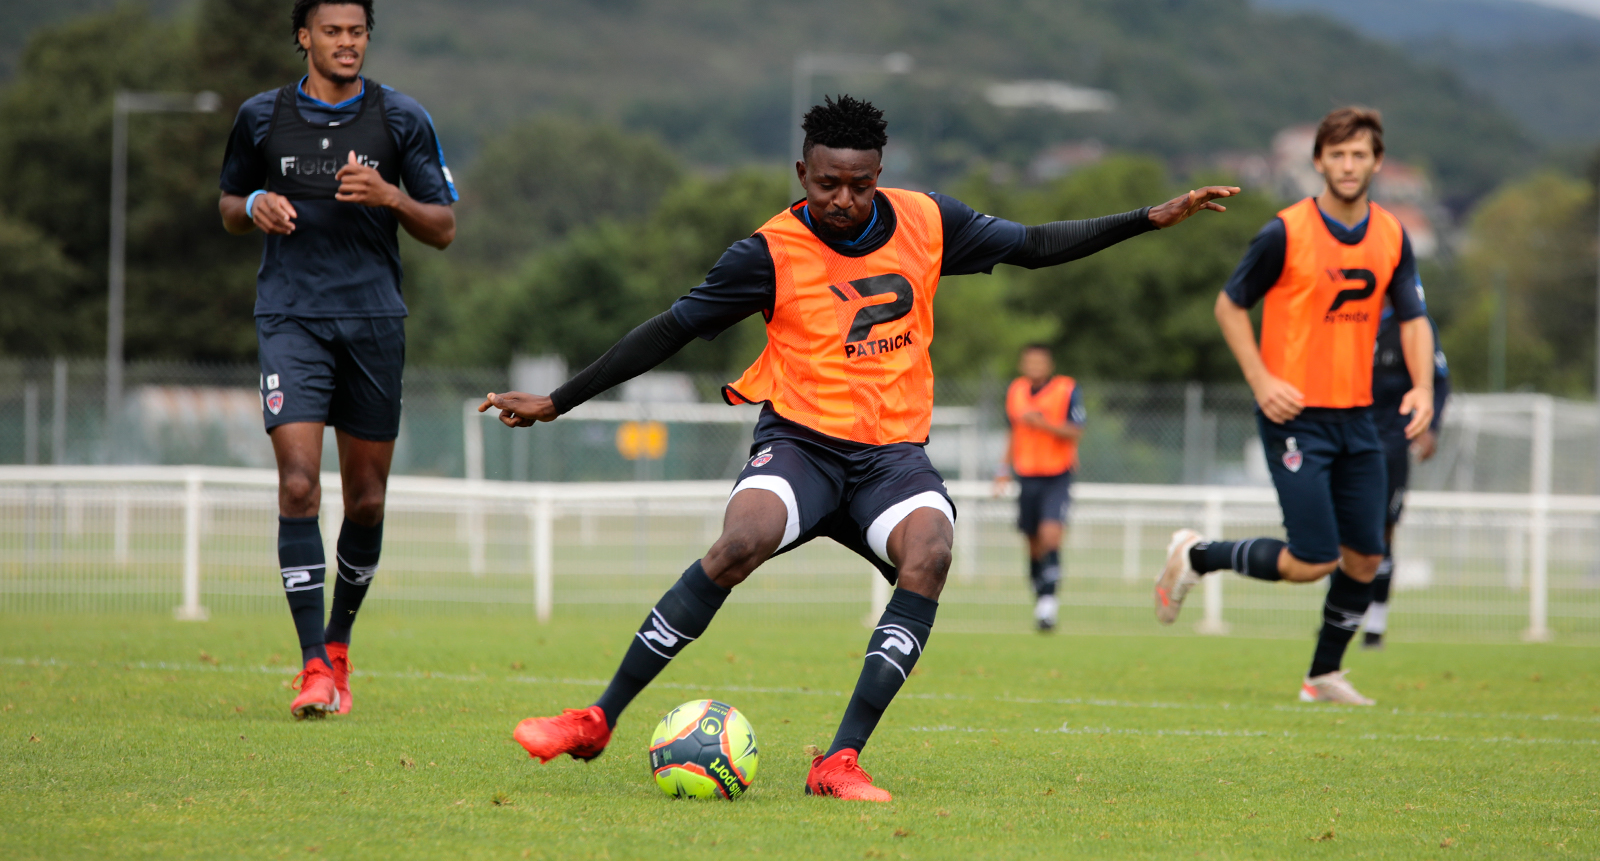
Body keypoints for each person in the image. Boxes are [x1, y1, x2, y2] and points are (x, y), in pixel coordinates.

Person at [482, 94, 1237, 800]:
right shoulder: (765, 254)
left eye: (860, 184)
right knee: (738, 542)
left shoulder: (927, 221)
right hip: (802, 448)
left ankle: (840, 759)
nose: (843, 200)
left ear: (880, 174)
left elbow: (1034, 245)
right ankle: (598, 719)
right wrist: (557, 401)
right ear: (802, 173)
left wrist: (1148, 217)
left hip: (891, 461)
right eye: (828, 184)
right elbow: (671, 329)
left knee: (932, 555)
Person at [218, 0, 457, 719]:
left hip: (374, 324)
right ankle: (312, 666)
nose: (346, 43)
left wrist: (392, 198)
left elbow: (443, 226)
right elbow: (227, 204)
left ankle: (341, 641)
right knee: (297, 486)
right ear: (305, 37)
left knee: (368, 498)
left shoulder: (401, 118)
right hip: (290, 318)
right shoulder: (262, 118)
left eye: (357, 32)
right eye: (332, 32)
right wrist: (254, 204)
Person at [1153, 106, 1434, 706]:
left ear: (1377, 162)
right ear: (1318, 162)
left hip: (1359, 417)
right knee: (1314, 559)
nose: (1349, 165)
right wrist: (1261, 381)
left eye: (1360, 154)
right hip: (1295, 417)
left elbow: (1414, 319)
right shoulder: (1285, 231)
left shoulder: (1392, 233)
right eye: (1338, 154)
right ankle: (1197, 555)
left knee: (1366, 558)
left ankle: (1322, 676)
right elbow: (1230, 306)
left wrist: (1423, 387)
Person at [1363, 305, 1450, 649]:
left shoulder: (1412, 323)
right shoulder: (1344, 313)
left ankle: (1374, 626)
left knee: (1384, 532)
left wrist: (1430, 429)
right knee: (1342, 532)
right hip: (1345, 439)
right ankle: (1338, 616)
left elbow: (1439, 382)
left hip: (1391, 446)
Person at [993, 344, 1085, 631]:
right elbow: (1013, 431)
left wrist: (1044, 424)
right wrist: (1002, 469)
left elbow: (1076, 430)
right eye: (1029, 361)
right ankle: (1040, 594)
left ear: (1049, 364)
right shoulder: (1016, 391)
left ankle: (1048, 604)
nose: (1034, 366)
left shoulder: (1066, 389)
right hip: (1027, 475)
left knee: (1051, 535)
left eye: (1040, 361)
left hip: (1057, 474)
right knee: (1032, 542)